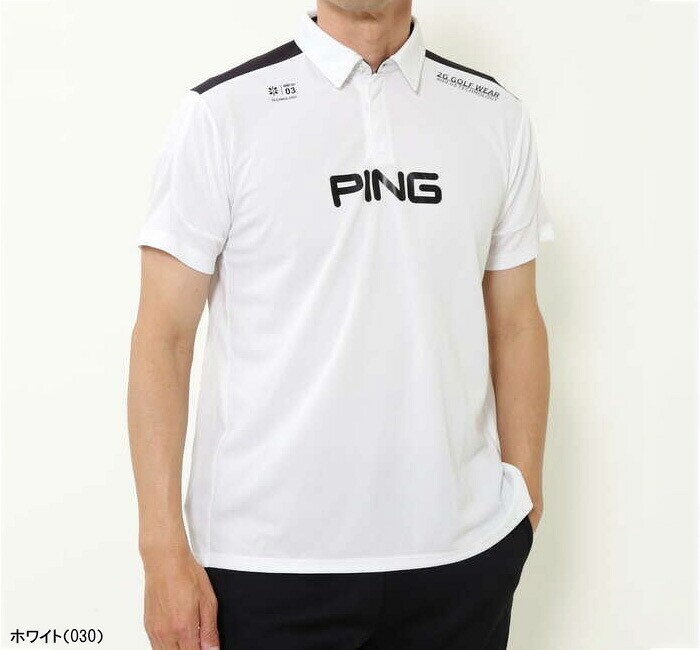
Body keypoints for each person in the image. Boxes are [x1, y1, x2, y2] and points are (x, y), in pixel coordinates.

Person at [128, 0, 554, 647]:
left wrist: (524, 505)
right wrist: (161, 551)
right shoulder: (222, 113)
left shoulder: (494, 113)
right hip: (267, 565)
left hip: (461, 563)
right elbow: (163, 339)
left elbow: (517, 321)